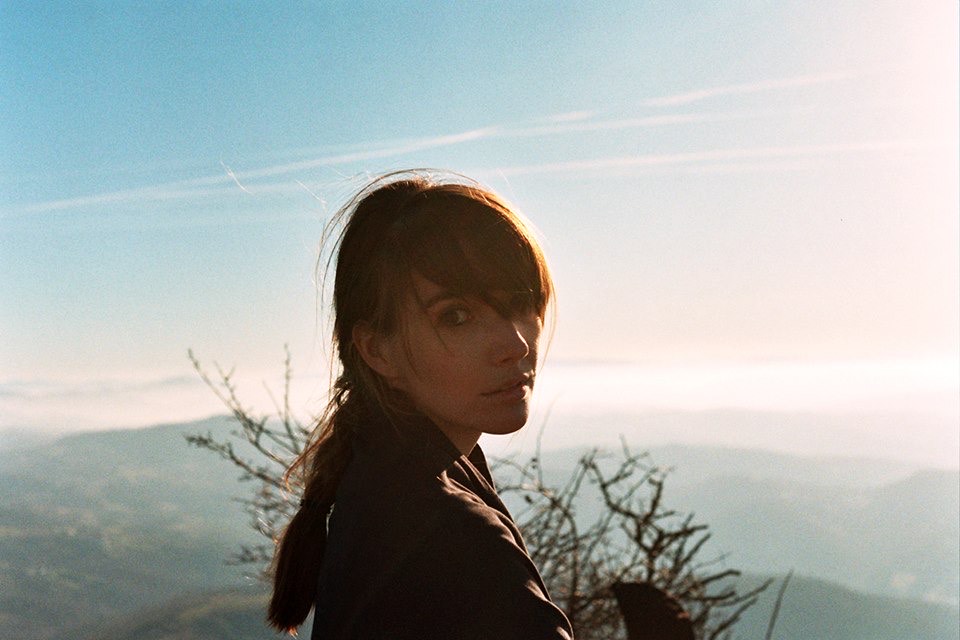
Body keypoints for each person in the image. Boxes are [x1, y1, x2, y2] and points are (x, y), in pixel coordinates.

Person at [267, 171, 574, 639]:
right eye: (457, 316)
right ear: (377, 350)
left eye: (520, 303)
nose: (515, 344)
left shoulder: (374, 484)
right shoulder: (454, 539)